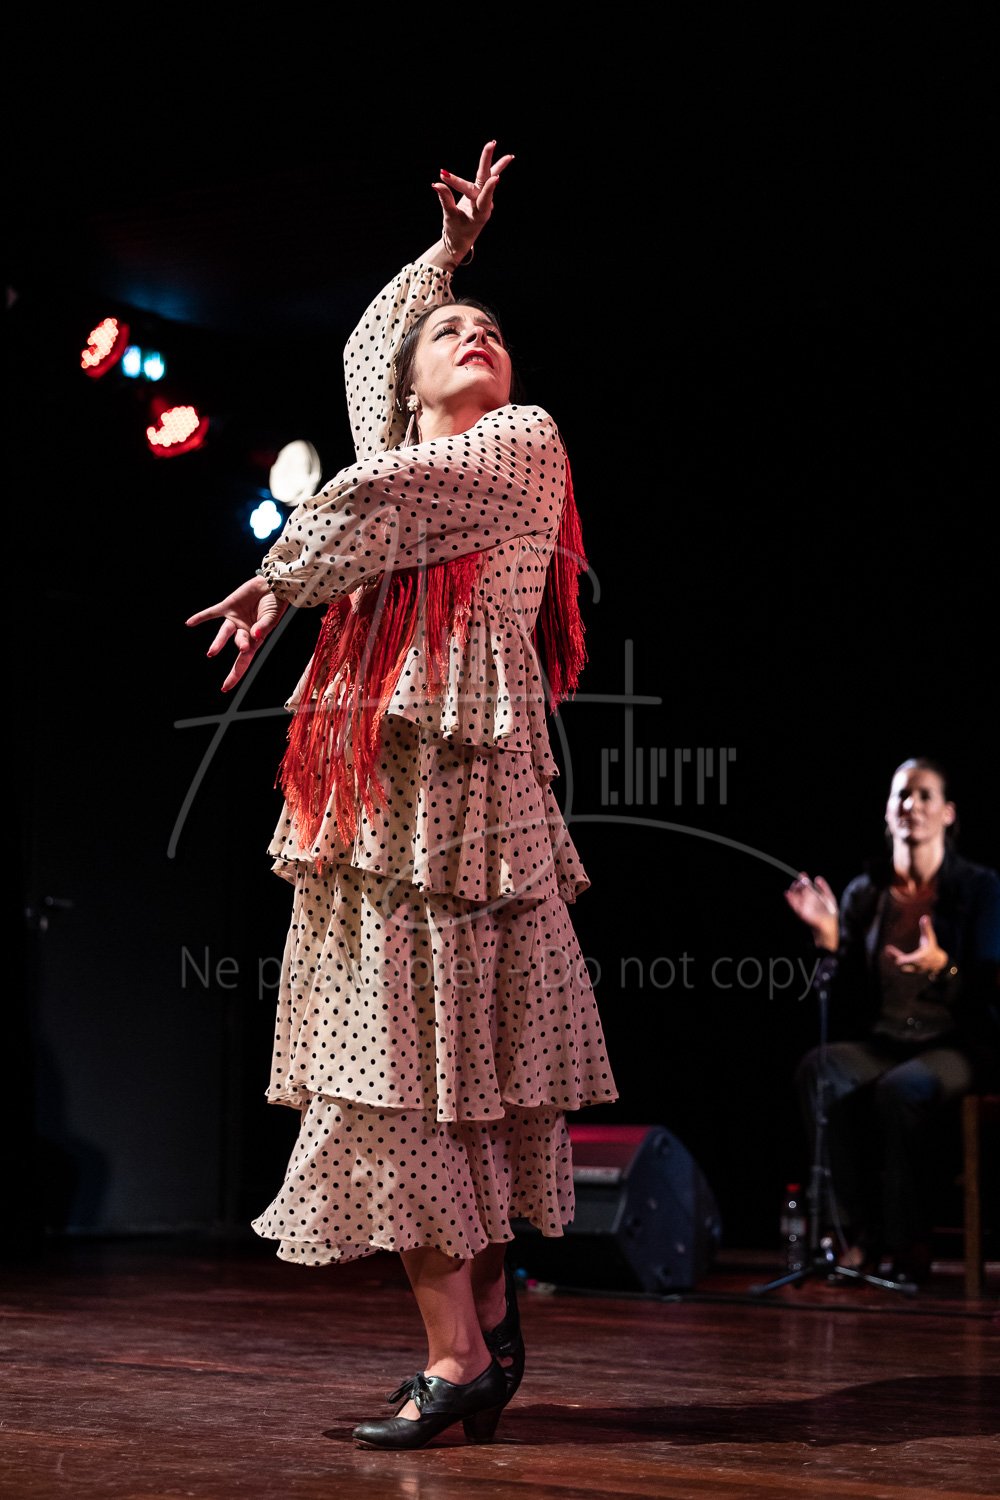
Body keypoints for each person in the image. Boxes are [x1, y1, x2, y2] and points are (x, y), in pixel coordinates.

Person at [186, 141, 618, 1449]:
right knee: (402, 1071)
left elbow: (387, 487)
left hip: (479, 812)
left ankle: (463, 1346)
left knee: (463, 1068)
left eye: (491, 328)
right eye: (449, 332)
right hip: (378, 809)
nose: (474, 332)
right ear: (406, 381)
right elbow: (371, 352)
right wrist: (448, 255)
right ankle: (470, 1336)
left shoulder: (520, 446)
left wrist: (283, 572)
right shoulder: (377, 481)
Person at [785, 756, 1000, 1286]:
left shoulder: (977, 886)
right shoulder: (866, 893)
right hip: (886, 1040)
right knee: (821, 1069)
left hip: (955, 1043)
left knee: (901, 1090)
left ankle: (907, 1242)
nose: (912, 805)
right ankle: (851, 1235)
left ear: (947, 813)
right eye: (902, 794)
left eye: (925, 795)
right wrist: (830, 941)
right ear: (887, 811)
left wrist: (943, 967)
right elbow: (848, 1002)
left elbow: (989, 986)